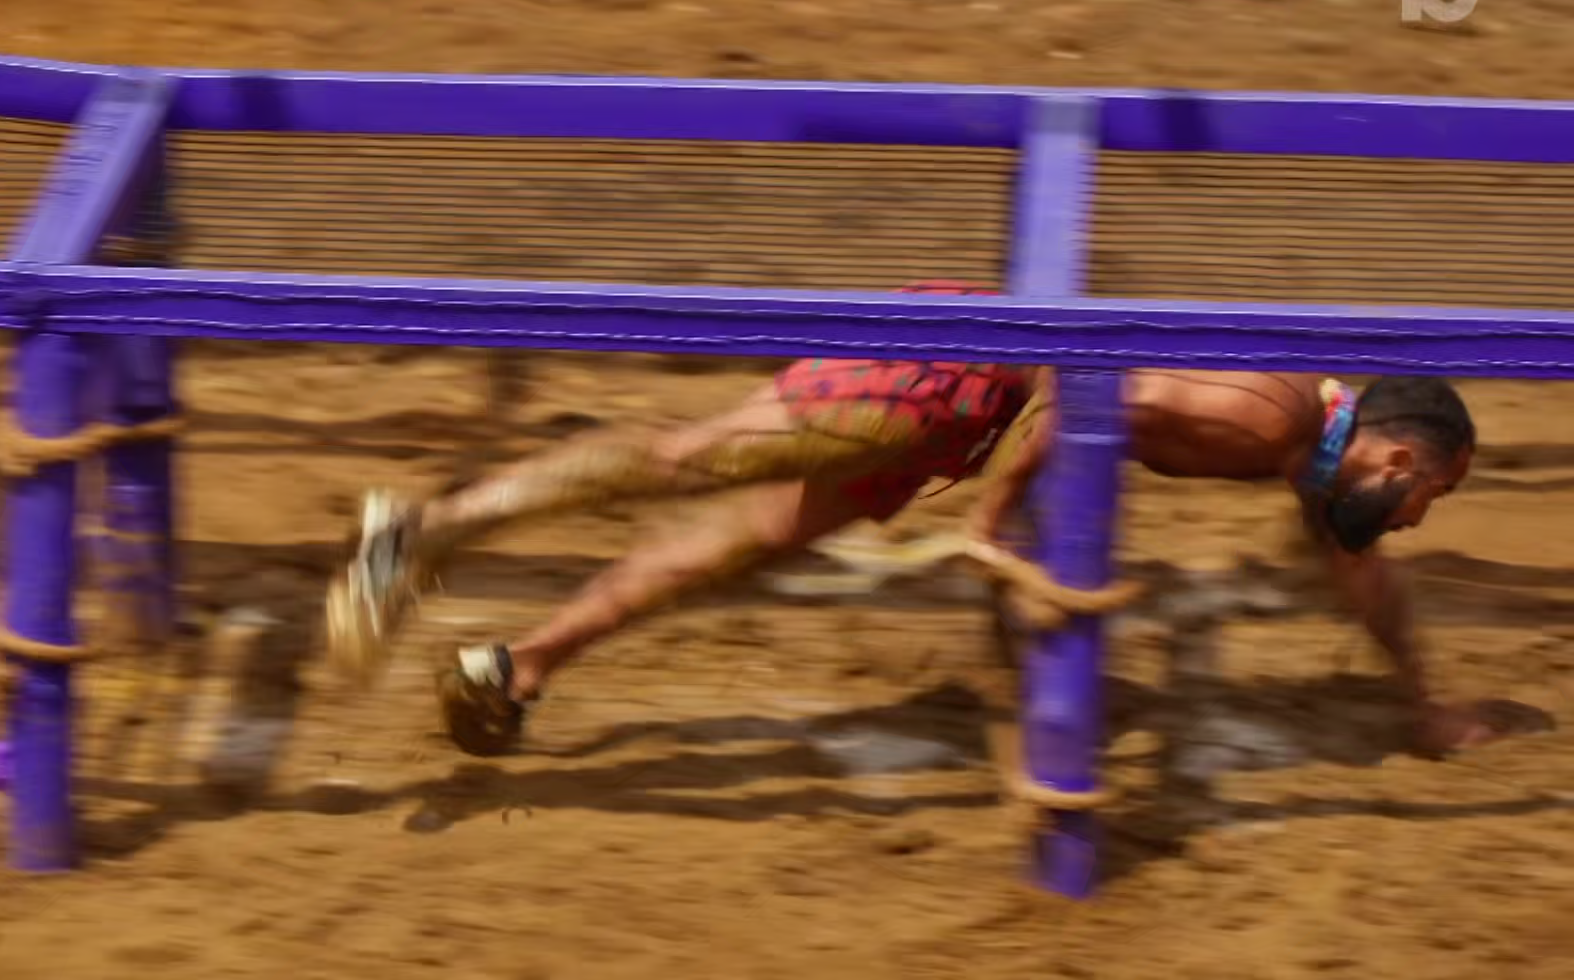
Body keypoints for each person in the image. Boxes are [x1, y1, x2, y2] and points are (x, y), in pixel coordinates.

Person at [324, 282, 1487, 760]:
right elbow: (1087, 386)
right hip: (965, 367)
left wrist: (1425, 705)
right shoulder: (1270, 414)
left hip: (975, 409)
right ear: (1395, 458)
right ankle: (421, 531)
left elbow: (1365, 580)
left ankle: (521, 666)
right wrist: (994, 520)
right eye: (1427, 497)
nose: (1412, 522)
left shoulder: (1313, 460)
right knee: (700, 458)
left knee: (743, 539)